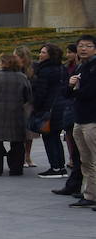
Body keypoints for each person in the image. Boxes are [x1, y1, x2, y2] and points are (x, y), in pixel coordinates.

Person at [0, 53, 31, 176]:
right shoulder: (22, 77)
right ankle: (16, 169)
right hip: (17, 113)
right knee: (18, 142)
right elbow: (28, 95)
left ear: (2, 63)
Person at [67, 35, 96, 208]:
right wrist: (71, 85)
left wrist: (75, 89)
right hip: (80, 118)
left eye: (88, 46)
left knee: (94, 159)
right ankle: (90, 194)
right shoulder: (81, 67)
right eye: (81, 46)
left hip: (92, 119)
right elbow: (67, 93)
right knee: (85, 159)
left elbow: (89, 93)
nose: (83, 49)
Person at [32, 43, 69, 179]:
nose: (40, 55)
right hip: (61, 107)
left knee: (49, 138)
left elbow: (41, 92)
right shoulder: (62, 68)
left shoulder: (45, 70)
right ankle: (60, 166)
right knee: (55, 138)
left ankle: (55, 167)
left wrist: (36, 107)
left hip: (49, 109)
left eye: (43, 52)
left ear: (50, 55)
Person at [54, 43, 84, 196]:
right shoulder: (74, 69)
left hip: (84, 116)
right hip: (75, 113)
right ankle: (75, 185)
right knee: (79, 154)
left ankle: (83, 188)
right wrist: (70, 86)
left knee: (86, 156)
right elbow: (66, 92)